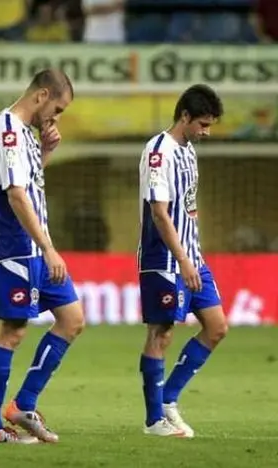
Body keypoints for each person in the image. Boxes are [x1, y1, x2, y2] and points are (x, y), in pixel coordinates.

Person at [0, 69, 85, 444]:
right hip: (15, 249)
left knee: (72, 319)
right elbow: (16, 195)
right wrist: (50, 248)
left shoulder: (24, 135)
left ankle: (23, 404)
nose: (56, 117)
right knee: (12, 331)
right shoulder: (7, 130)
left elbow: (29, 183)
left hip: (34, 248)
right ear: (41, 95)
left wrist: (46, 152)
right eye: (57, 108)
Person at [137, 84, 226, 438]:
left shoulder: (189, 151)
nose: (207, 132)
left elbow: (187, 207)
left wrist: (194, 256)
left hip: (192, 256)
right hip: (165, 259)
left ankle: (169, 399)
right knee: (162, 333)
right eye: (202, 124)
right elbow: (159, 213)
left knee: (217, 327)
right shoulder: (159, 153)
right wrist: (184, 261)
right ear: (184, 117)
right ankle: (153, 420)